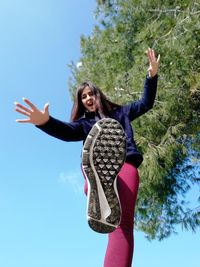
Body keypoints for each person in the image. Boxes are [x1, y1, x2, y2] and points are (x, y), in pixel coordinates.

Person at [15, 48, 160, 267]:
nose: (88, 98)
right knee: (119, 221)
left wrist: (152, 76)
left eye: (91, 94)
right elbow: (65, 131)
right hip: (98, 168)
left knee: (122, 225)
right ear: (81, 103)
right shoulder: (84, 125)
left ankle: (99, 186)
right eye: (83, 97)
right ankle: (96, 184)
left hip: (127, 164)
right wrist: (45, 122)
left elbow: (145, 103)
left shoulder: (121, 113)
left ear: (98, 95)